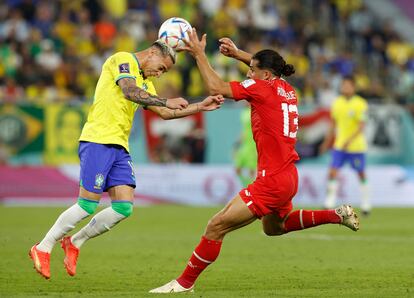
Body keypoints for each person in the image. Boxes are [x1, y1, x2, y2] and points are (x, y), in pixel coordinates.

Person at [149, 31, 360, 293]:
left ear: (266, 75)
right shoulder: (287, 89)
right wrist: (239, 54)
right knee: (274, 228)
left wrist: (199, 54)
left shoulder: (260, 88)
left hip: (271, 181)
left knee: (216, 226)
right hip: (288, 176)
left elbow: (216, 88)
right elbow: (268, 68)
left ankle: (183, 283)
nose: (248, 74)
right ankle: (336, 214)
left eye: (252, 70)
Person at [29, 39, 224, 280]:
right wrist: (165, 100)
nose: (159, 74)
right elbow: (129, 91)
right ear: (152, 52)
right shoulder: (123, 59)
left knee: (123, 207)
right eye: (161, 68)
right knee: (87, 205)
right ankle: (43, 246)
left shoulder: (145, 81)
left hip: (120, 145)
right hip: (98, 139)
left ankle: (75, 241)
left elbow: (163, 112)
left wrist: (199, 107)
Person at [319, 76, 370, 214]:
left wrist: (350, 140)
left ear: (353, 87)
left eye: (348, 85)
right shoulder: (337, 103)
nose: (345, 88)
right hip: (339, 145)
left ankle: (365, 203)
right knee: (333, 171)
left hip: (356, 146)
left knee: (361, 173)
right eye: (343, 85)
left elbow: (361, 126)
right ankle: (329, 202)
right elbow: (333, 125)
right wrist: (326, 142)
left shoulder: (361, 104)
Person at [233, 105, 257, 187]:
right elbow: (244, 130)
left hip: (253, 145)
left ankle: (251, 190)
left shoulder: (258, 112)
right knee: (237, 169)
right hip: (244, 146)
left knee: (252, 170)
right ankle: (247, 186)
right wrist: (236, 145)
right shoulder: (244, 113)